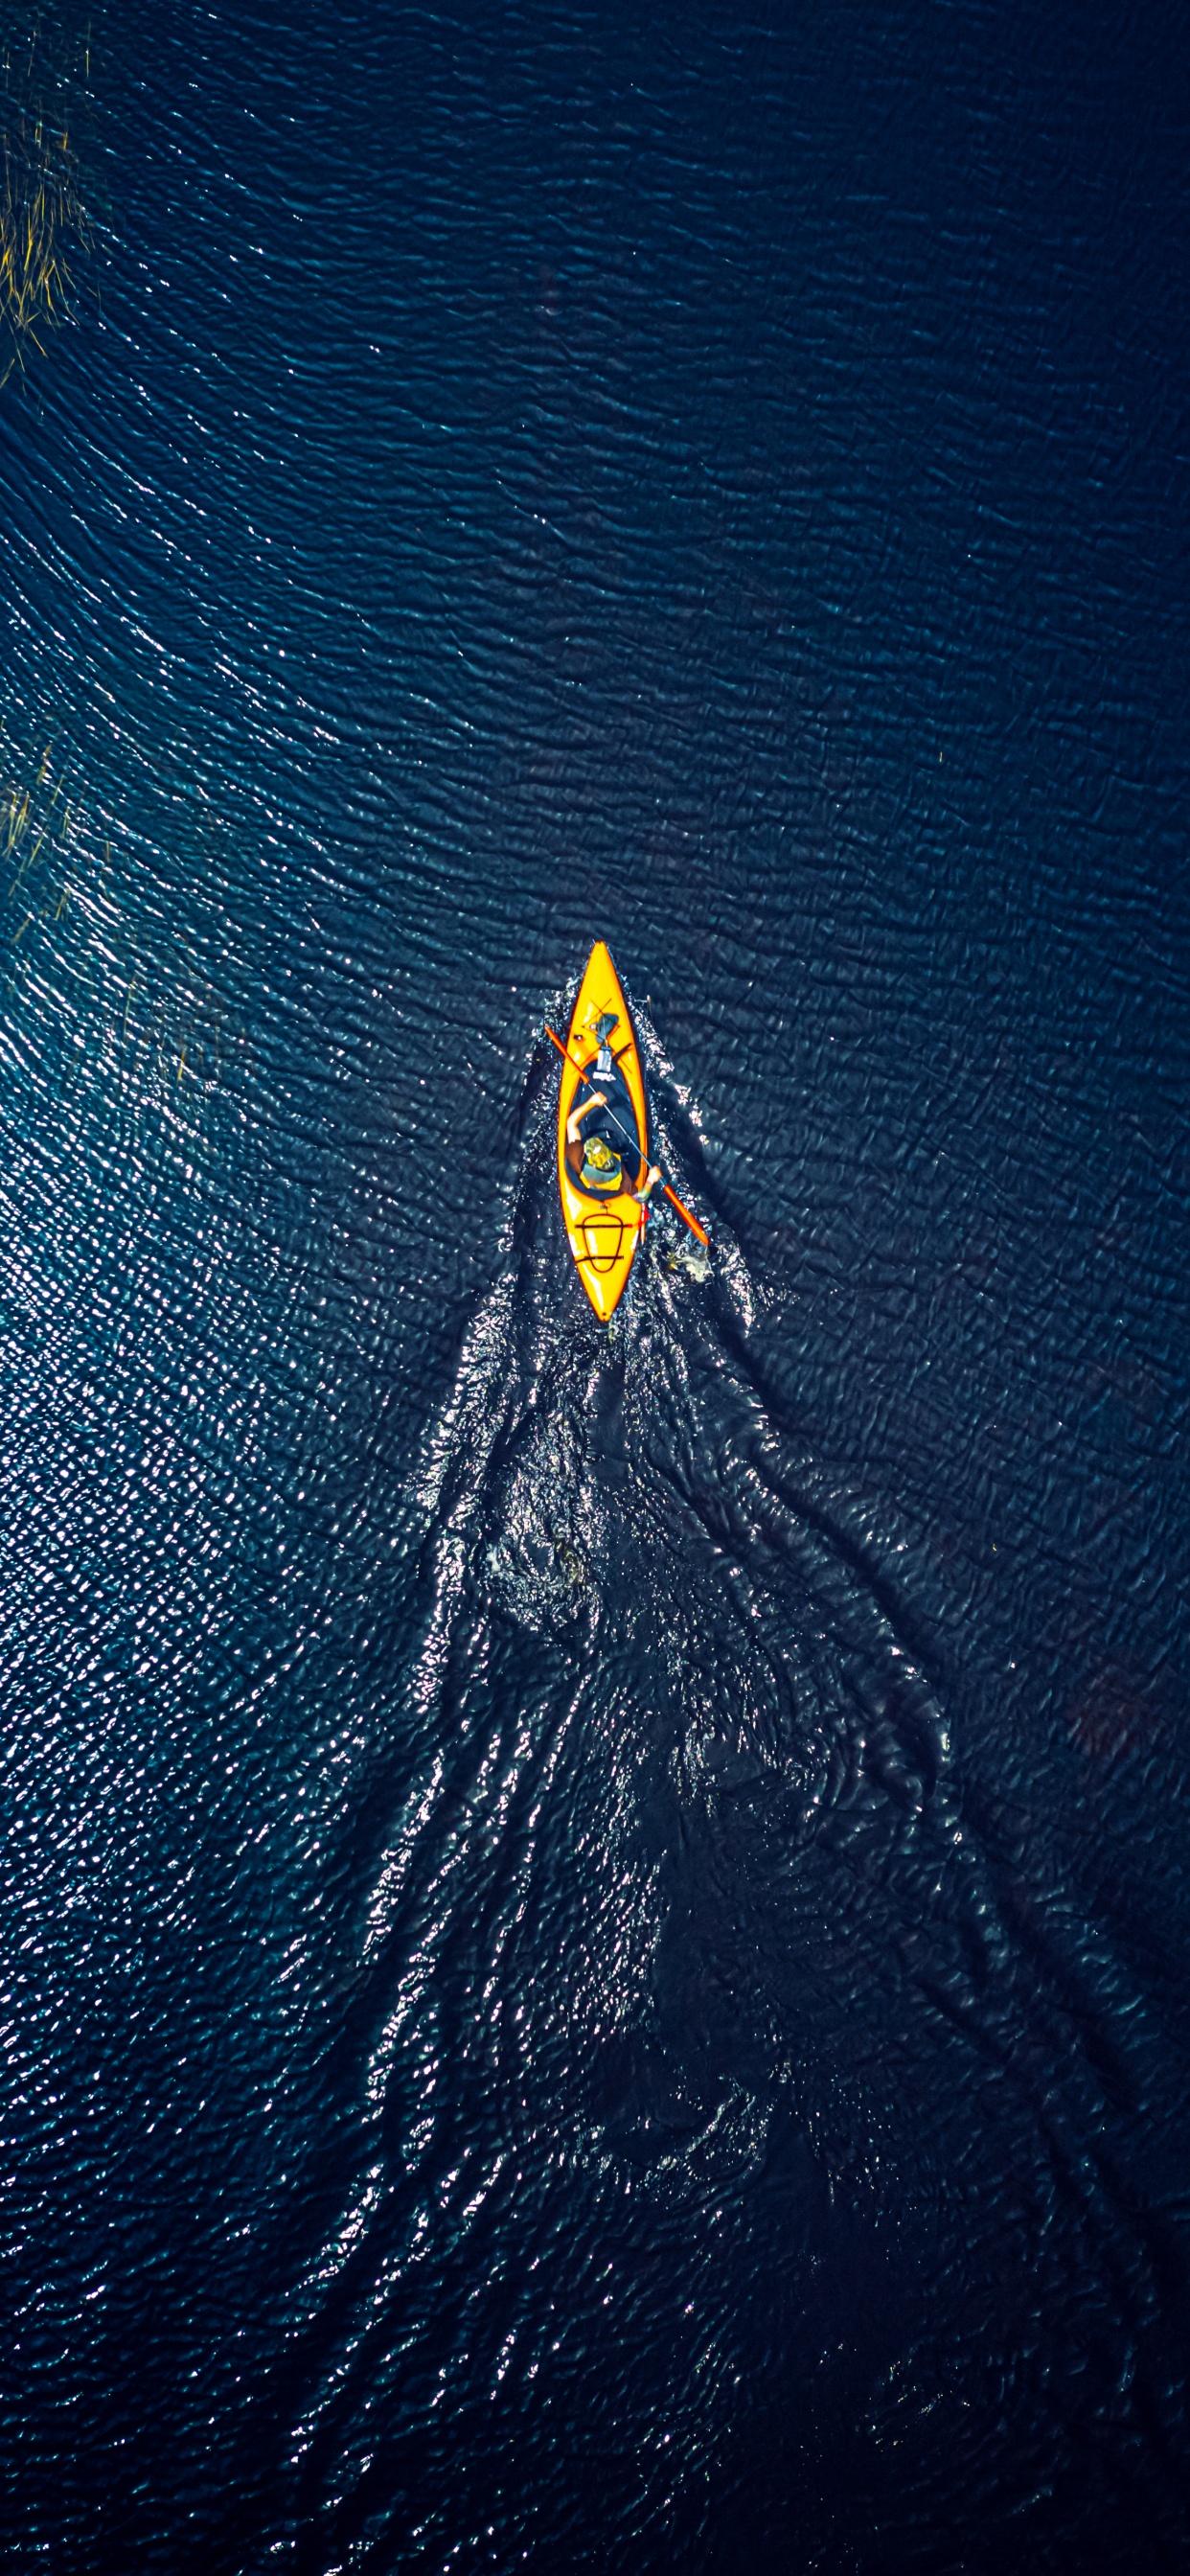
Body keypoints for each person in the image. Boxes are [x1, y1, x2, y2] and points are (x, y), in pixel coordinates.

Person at [566, 1086, 662, 1208]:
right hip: (611, 1182)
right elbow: (641, 1197)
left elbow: (571, 1123)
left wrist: (591, 1102)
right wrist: (651, 1179)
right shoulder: (622, 1180)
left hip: (591, 1183)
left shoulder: (576, 1157)